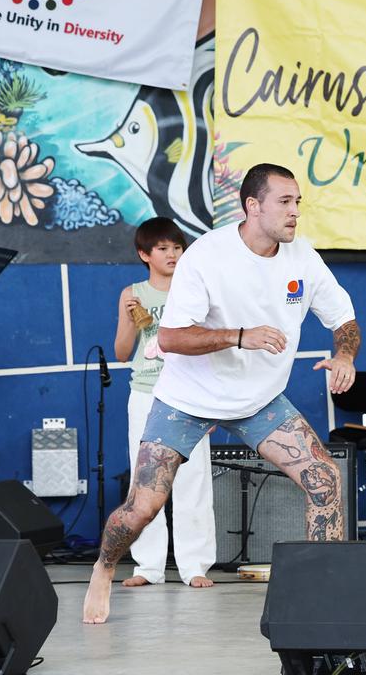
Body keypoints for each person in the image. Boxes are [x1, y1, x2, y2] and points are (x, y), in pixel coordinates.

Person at [83, 164, 361, 624]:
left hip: (259, 401)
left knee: (324, 478)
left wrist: (345, 355)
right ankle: (105, 565)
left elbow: (344, 320)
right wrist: (240, 336)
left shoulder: (304, 259)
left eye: (298, 203)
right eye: (284, 202)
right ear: (253, 207)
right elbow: (169, 338)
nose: (295, 212)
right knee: (142, 508)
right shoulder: (207, 257)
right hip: (186, 399)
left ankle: (320, 592)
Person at [112, 217, 216, 589]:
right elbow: (123, 353)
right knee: (145, 482)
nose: (172, 254)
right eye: (163, 248)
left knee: (194, 479)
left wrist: (214, 403)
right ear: (144, 254)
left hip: (191, 396)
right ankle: (148, 567)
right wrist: (129, 321)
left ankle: (195, 565)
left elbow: (209, 348)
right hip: (145, 392)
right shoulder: (133, 293)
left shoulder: (196, 289)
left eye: (177, 247)